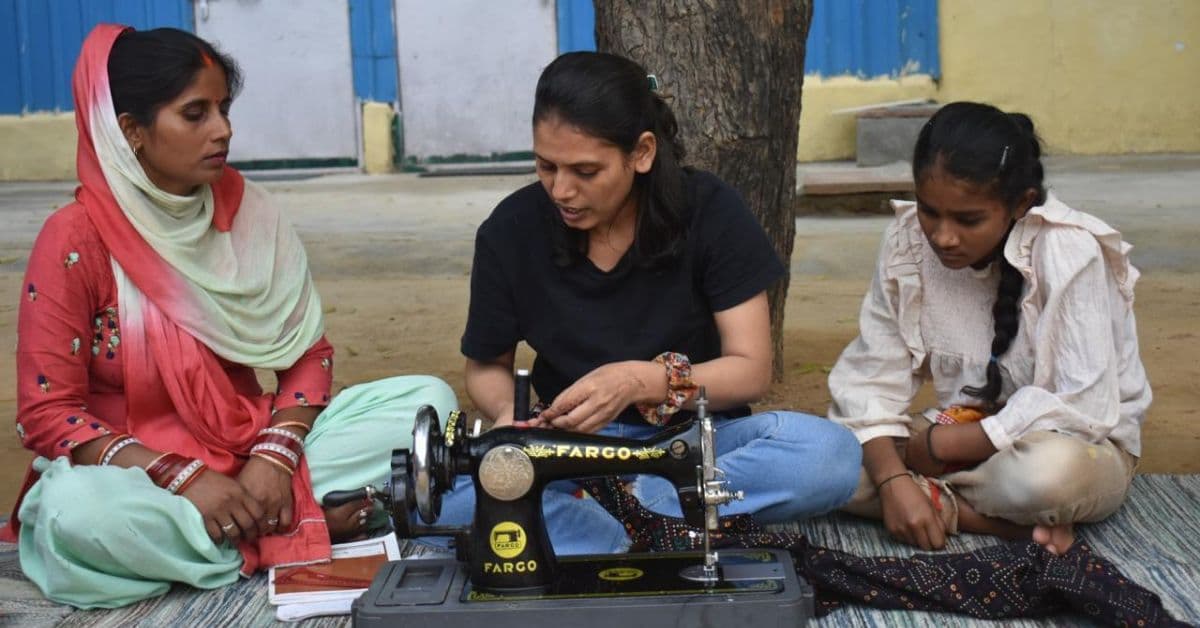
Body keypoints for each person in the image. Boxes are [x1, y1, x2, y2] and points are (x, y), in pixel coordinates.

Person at [2, 25, 456, 609]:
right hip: (134, 479)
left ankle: (237, 529)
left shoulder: (251, 216)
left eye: (223, 108)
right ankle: (291, 531)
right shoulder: (75, 238)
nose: (223, 130)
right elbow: (48, 413)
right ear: (131, 132)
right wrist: (183, 478)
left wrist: (273, 457)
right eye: (196, 113)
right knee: (74, 518)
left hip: (252, 451)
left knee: (428, 404)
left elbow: (308, 356)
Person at [433, 51, 862, 553]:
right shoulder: (510, 230)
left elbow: (751, 371)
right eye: (546, 166)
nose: (561, 190)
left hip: (695, 445)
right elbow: (485, 366)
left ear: (641, 152)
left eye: (586, 171)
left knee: (829, 456)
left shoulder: (711, 213)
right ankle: (652, 523)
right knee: (441, 500)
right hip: (568, 453)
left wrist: (642, 380)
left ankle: (628, 518)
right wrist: (513, 416)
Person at [829, 102, 1150, 556]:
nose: (942, 237)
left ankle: (938, 504)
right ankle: (1000, 524)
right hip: (952, 438)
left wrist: (943, 446)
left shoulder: (1068, 249)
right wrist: (894, 477)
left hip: (1069, 448)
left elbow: (1084, 406)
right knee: (827, 464)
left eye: (968, 220)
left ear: (1020, 204)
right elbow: (870, 379)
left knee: (1046, 479)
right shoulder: (906, 242)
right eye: (929, 212)